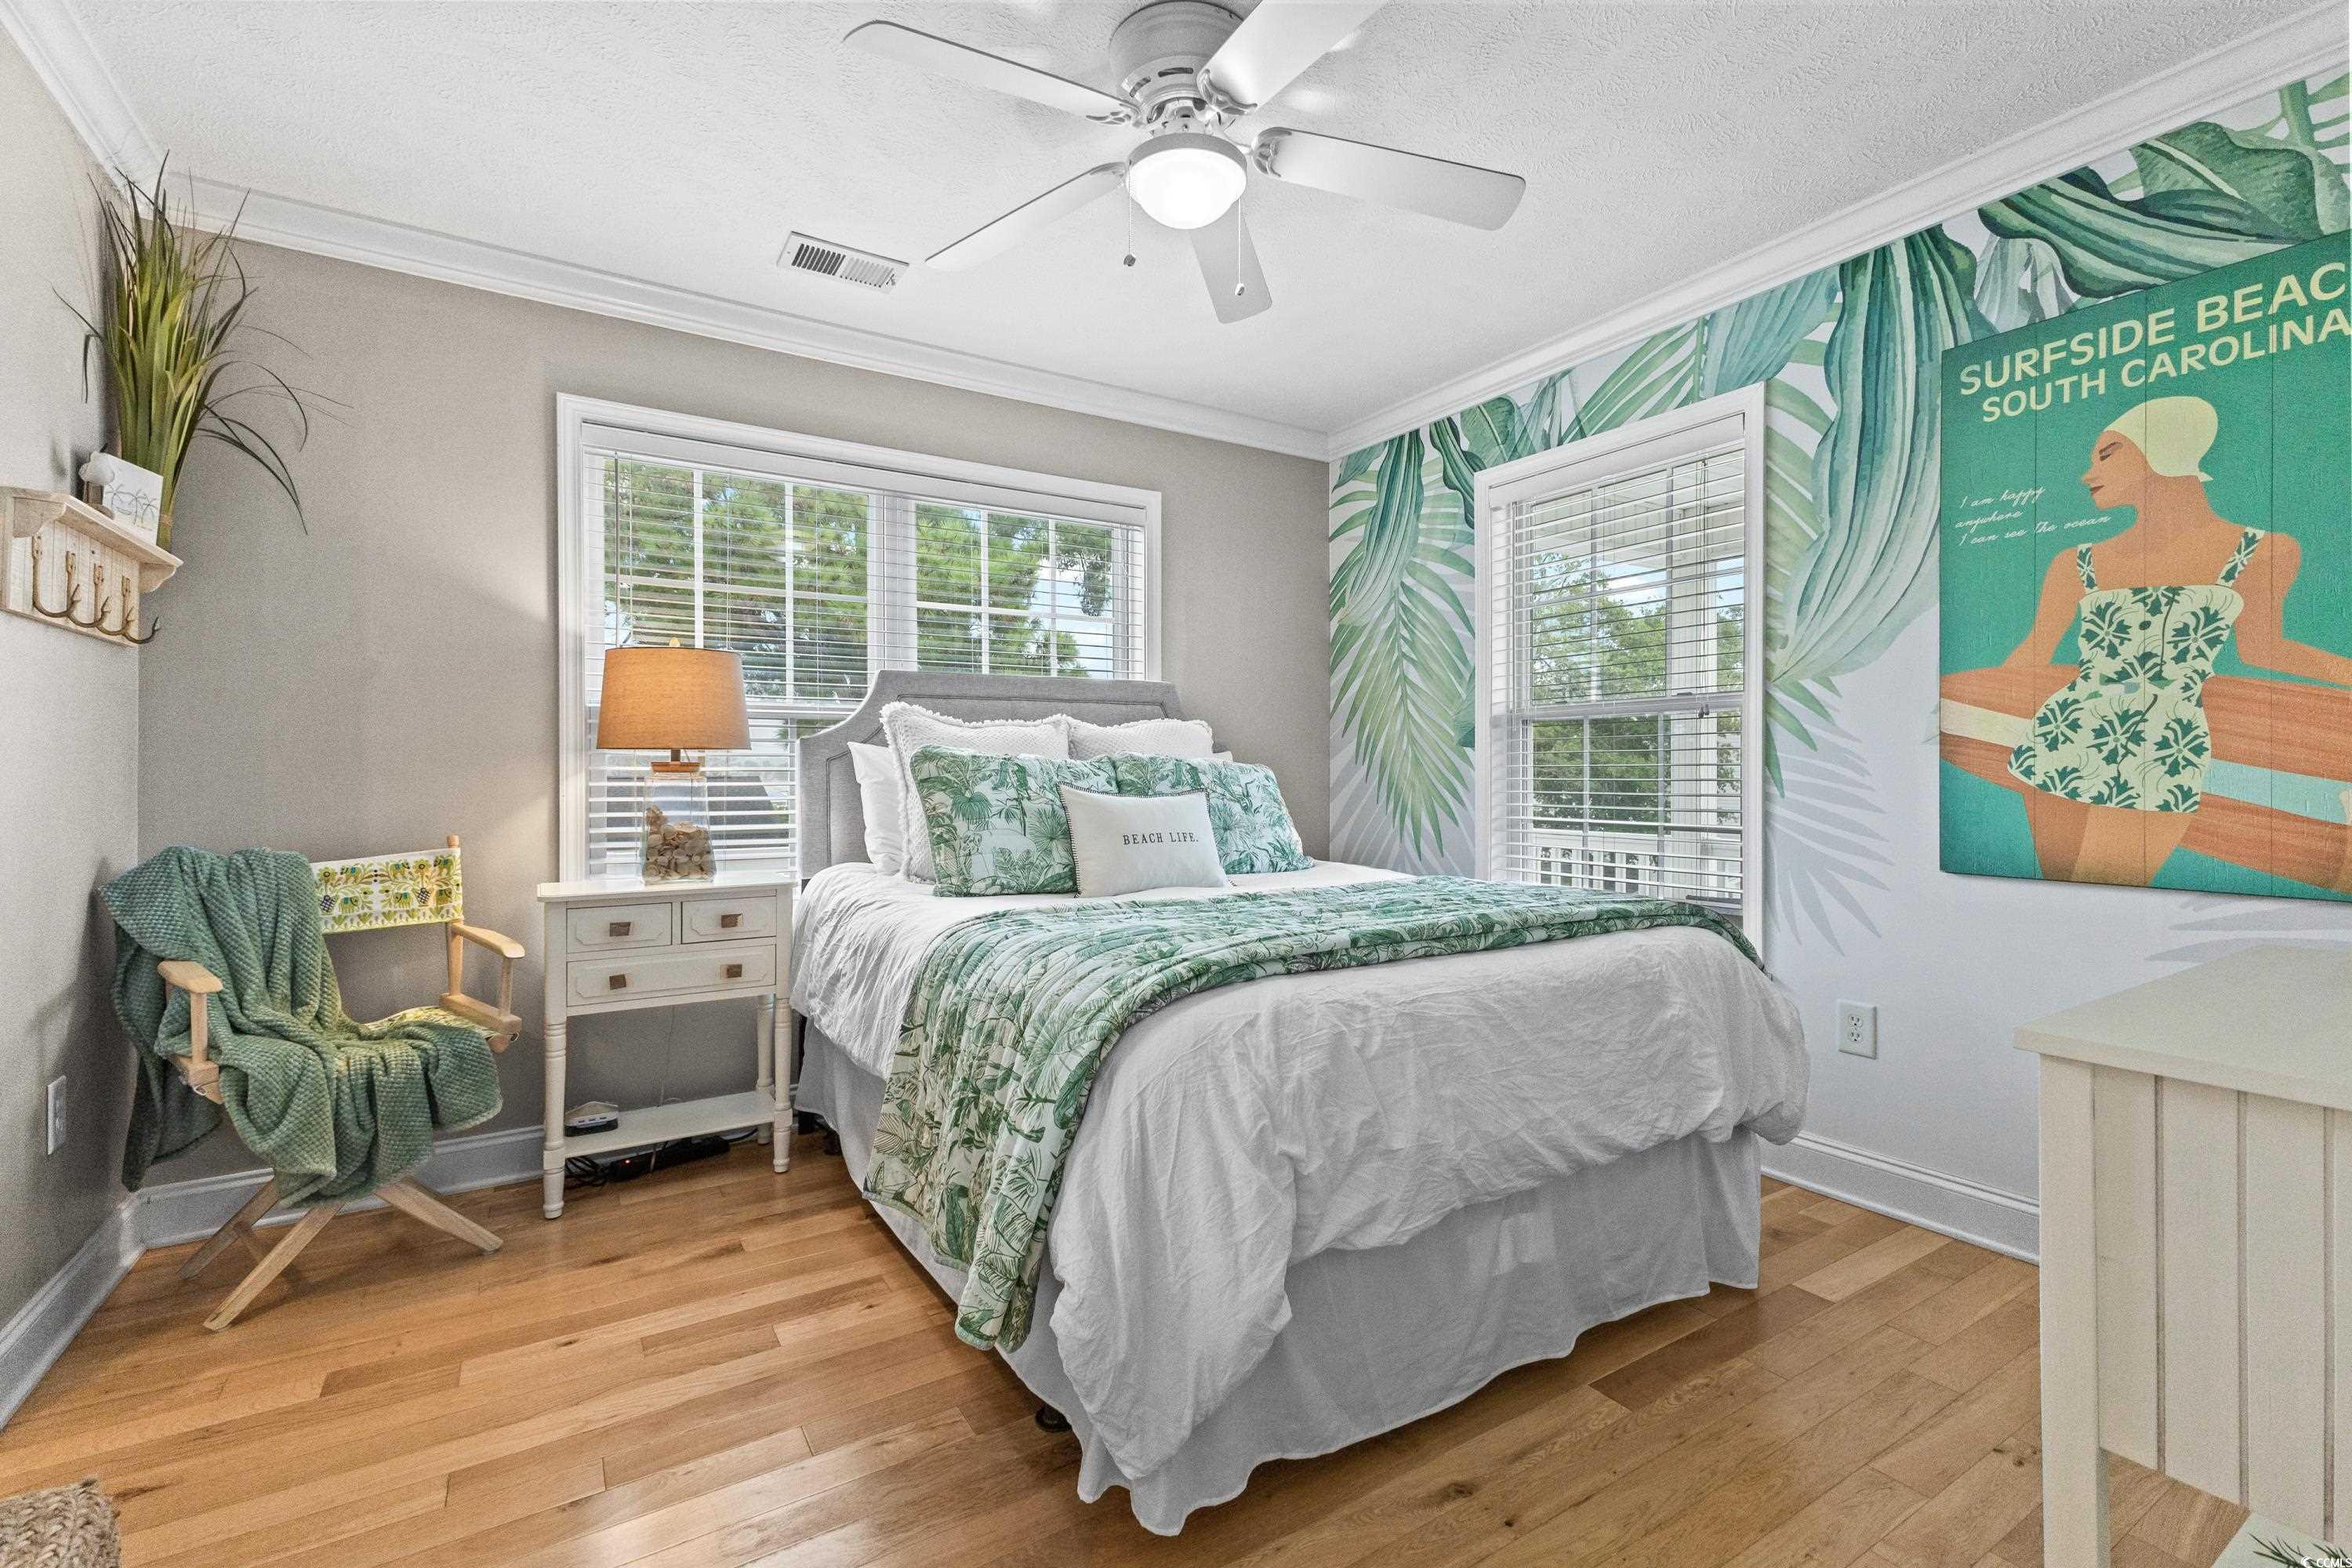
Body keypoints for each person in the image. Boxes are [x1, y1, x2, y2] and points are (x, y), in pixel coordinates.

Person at [2002, 395, 2352, 885]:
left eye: (2107, 455)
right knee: (2062, 890)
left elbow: (2263, 649)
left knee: (2111, 890)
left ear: (2161, 450)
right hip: (2061, 734)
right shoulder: (2074, 562)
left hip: (2162, 744)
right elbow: (2031, 654)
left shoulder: (2264, 551)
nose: (2087, 475)